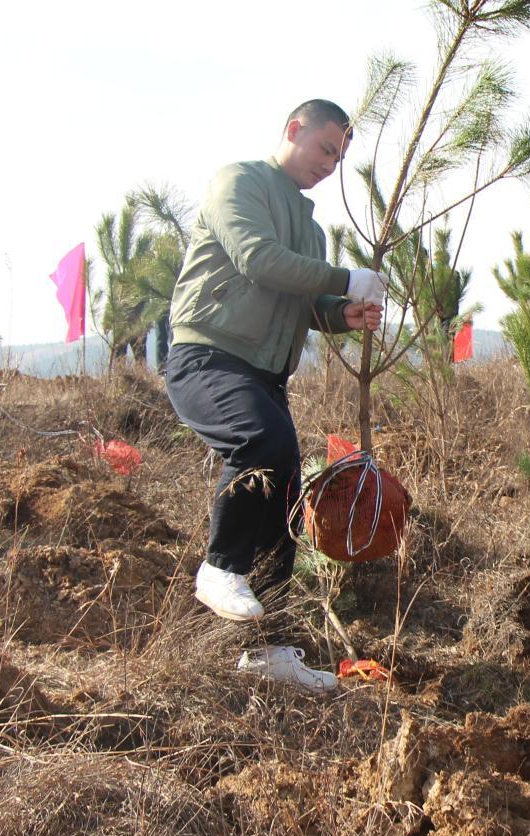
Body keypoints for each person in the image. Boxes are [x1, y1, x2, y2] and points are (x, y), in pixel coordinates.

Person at [165, 99, 385, 685]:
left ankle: (269, 652)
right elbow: (259, 261)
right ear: (294, 130)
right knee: (261, 441)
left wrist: (345, 312)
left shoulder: (310, 230)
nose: (330, 164)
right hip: (208, 355)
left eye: (340, 157)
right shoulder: (238, 183)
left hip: (264, 374)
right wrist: (344, 276)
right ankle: (220, 567)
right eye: (325, 148)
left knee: (284, 488)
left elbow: (305, 302)